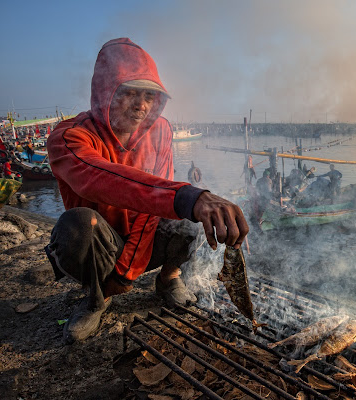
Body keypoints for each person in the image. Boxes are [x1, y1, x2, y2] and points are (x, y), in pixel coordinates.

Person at [44, 38, 249, 343]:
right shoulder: (69, 137)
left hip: (146, 238)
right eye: (129, 93)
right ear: (105, 93)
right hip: (100, 244)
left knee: (185, 215)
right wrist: (189, 198)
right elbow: (105, 181)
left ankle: (169, 278)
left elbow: (152, 204)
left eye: (149, 96)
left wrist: (127, 273)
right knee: (76, 225)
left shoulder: (161, 131)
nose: (141, 106)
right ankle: (96, 300)